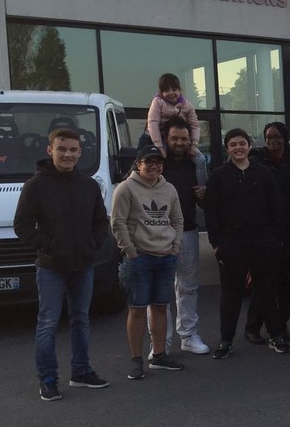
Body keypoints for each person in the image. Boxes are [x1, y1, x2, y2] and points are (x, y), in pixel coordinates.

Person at [14, 127, 111, 401]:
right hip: (51, 267)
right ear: (50, 150)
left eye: (72, 150)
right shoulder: (36, 186)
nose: (67, 154)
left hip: (83, 265)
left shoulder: (89, 185)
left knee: (81, 320)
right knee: (48, 323)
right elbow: (22, 225)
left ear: (80, 153)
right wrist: (50, 246)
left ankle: (81, 372)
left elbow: (100, 221)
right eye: (62, 149)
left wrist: (92, 244)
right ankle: (47, 379)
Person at [205, 128, 288, 359]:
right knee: (231, 294)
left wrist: (276, 240)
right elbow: (211, 211)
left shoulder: (263, 173)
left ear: (249, 146)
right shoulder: (219, 176)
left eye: (242, 143)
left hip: (263, 242)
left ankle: (276, 336)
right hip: (231, 243)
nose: (238, 148)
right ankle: (226, 340)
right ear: (227, 149)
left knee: (266, 291)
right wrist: (216, 244)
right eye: (233, 144)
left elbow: (277, 207)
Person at [111, 145, 184, 380]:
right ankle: (136, 360)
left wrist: (175, 247)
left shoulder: (169, 188)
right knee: (137, 309)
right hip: (139, 258)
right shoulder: (126, 188)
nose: (154, 166)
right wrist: (130, 251)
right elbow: (118, 222)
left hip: (166, 256)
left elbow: (177, 220)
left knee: (161, 307)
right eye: (148, 162)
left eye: (158, 162)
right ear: (138, 164)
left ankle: (159, 355)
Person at [245, 121, 290, 346]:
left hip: (288, 233)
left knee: (285, 284)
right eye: (269, 137)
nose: (272, 141)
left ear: (285, 139)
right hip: (264, 233)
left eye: (277, 137)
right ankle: (252, 327)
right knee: (264, 284)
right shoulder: (257, 164)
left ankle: (281, 327)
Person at [160, 118, 209, 355]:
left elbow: (205, 201)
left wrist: (205, 193)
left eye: (184, 139)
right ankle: (161, 342)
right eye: (174, 138)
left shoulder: (196, 164)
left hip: (188, 229)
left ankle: (188, 335)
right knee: (160, 290)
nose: (179, 143)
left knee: (188, 286)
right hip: (157, 233)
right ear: (165, 138)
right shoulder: (156, 160)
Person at [142, 73, 207, 186]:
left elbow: (195, 125)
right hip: (159, 136)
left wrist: (194, 144)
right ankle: (147, 183)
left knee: (200, 159)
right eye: (167, 90)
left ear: (179, 90)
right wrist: (159, 146)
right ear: (161, 92)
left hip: (176, 135)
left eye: (175, 89)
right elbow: (153, 123)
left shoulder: (186, 105)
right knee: (152, 156)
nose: (171, 93)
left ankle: (202, 186)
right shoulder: (157, 102)